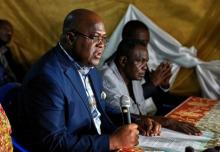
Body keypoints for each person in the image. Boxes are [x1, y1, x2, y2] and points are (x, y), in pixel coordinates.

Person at [8, 9, 161, 152]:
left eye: (103, 39)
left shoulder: (89, 67)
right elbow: (52, 142)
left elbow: (101, 108)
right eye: (95, 38)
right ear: (70, 38)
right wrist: (111, 142)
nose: (101, 45)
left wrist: (137, 120)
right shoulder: (47, 78)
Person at [100, 39, 202, 135]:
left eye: (146, 61)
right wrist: (167, 122)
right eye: (141, 61)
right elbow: (122, 117)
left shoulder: (132, 74)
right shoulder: (106, 79)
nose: (145, 67)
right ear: (123, 61)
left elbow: (141, 111)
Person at [121, 20, 187, 115]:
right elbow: (127, 99)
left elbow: (159, 100)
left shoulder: (143, 61)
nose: (145, 48)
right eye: (141, 43)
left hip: (154, 114)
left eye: (146, 43)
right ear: (126, 40)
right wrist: (153, 82)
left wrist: (163, 85)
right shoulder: (120, 64)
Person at [0, 19, 25, 85]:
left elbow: (14, 69)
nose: (9, 33)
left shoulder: (6, 51)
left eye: (11, 31)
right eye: (5, 29)